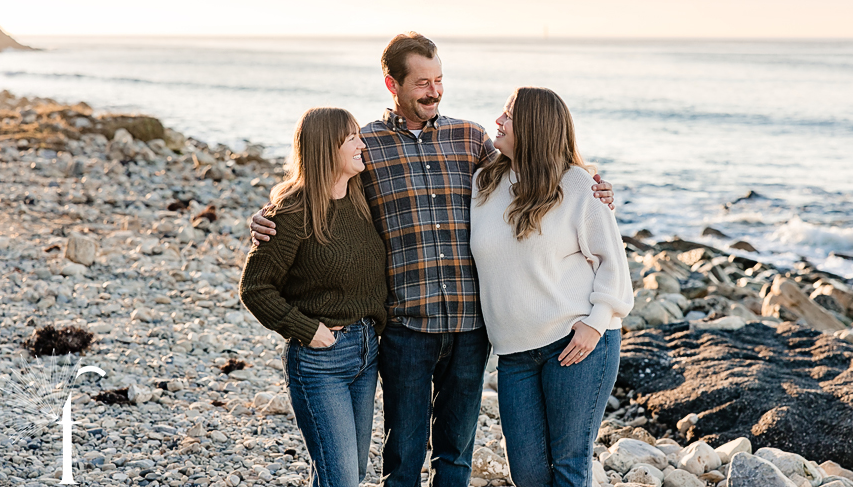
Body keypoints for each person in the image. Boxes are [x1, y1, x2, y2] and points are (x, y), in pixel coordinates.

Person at [250, 33, 616, 487]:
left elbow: (535, 171)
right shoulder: (364, 146)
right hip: (406, 325)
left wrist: (596, 189)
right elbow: (320, 188)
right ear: (393, 84)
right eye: (422, 82)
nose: (434, 91)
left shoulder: (472, 139)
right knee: (402, 455)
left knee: (455, 454)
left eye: (439, 79)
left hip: (471, 325)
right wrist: (270, 213)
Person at [469, 87, 634, 487]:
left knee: (568, 466)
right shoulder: (484, 183)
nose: (499, 121)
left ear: (533, 127)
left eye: (508, 115)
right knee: (526, 474)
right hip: (513, 353)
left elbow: (614, 263)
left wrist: (596, 323)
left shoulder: (578, 185)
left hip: (575, 344)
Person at [238, 107, 388, 487]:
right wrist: (306, 329)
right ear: (325, 148)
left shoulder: (361, 199)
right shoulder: (290, 213)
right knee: (340, 479)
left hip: (366, 353)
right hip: (320, 361)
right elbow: (255, 287)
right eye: (351, 137)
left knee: (348, 473)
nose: (362, 143)